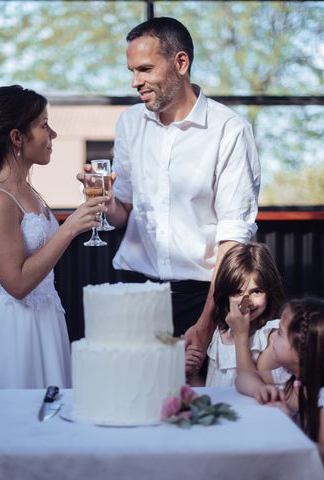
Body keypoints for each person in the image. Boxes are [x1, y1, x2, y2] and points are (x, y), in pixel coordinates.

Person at [81, 17, 260, 376]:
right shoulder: (130, 123)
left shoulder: (229, 130)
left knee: (191, 413)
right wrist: (106, 201)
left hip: (200, 298)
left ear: (181, 63)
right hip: (132, 291)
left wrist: (207, 321)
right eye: (132, 71)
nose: (136, 82)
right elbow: (123, 214)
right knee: (130, 402)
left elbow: (233, 239)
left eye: (145, 69)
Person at [0, 86, 107, 445]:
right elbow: (17, 284)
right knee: (13, 437)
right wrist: (69, 228)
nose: (53, 135)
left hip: (46, 323)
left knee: (49, 439)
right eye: (44, 125)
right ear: (17, 137)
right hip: (12, 332)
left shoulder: (29, 193)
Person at [231, 297, 324, 479]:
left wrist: (289, 428)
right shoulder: (286, 377)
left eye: (279, 333)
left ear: (298, 352)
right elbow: (242, 377)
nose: (273, 336)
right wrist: (259, 390)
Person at [188, 242, 285, 387]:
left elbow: (255, 387)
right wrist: (188, 374)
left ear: (270, 292)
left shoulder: (271, 336)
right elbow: (212, 387)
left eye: (256, 291)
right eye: (237, 292)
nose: (246, 301)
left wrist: (241, 335)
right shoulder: (218, 332)